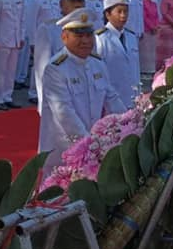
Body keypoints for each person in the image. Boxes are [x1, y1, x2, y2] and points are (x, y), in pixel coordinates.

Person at [38, 9, 125, 175]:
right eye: (78, 35)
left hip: (93, 146)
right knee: (57, 196)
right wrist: (89, 143)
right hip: (64, 148)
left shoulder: (97, 64)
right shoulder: (55, 68)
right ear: (64, 37)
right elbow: (64, 112)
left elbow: (111, 98)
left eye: (88, 35)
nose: (85, 41)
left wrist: (128, 123)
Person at [95, 0, 141, 107]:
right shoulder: (100, 38)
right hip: (111, 100)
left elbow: (136, 68)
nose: (123, 15)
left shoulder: (131, 36)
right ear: (108, 14)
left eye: (126, 11)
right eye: (119, 12)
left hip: (133, 98)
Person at [139, 0, 160, 76]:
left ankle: (151, 68)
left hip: (154, 30)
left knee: (152, 49)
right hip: (146, 29)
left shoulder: (154, 4)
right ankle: (144, 69)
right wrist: (152, 27)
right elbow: (144, 17)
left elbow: (156, 16)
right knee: (145, 49)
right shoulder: (142, 3)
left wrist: (156, 26)